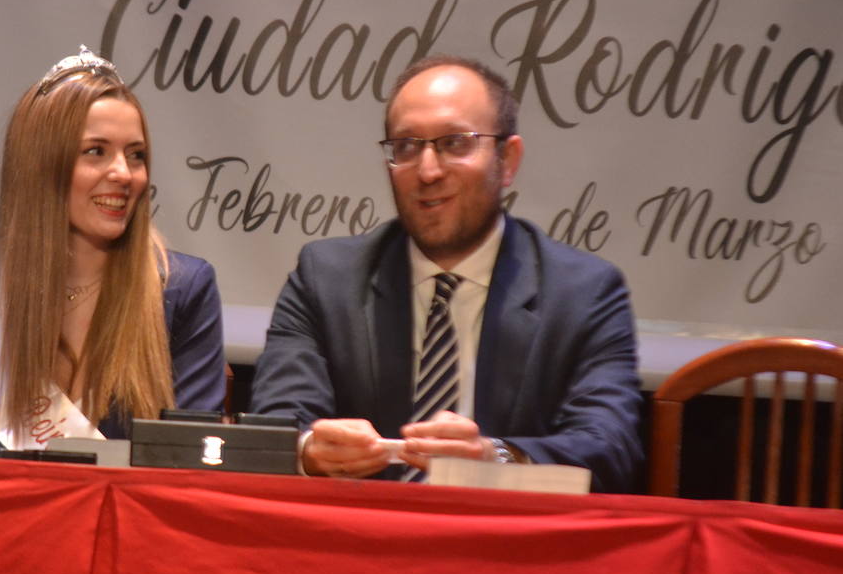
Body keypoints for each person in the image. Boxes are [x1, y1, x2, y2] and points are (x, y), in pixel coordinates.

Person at [250, 55, 642, 492]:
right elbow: (275, 425)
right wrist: (308, 450)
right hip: (361, 537)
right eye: (407, 146)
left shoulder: (584, 291)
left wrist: (495, 458)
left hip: (509, 545)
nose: (429, 171)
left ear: (507, 160)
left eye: (456, 143)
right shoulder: (325, 278)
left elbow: (610, 448)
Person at [0, 47, 225, 454]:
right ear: (40, 166)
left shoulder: (182, 289)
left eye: (135, 155)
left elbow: (194, 462)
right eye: (96, 151)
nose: (124, 173)